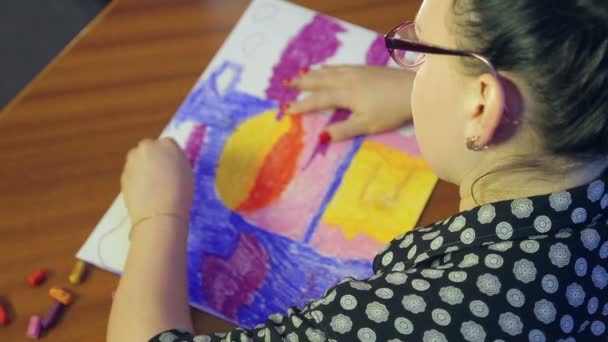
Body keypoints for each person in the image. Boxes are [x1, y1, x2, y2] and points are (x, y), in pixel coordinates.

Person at [108, 0, 608, 340]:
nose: (408, 62)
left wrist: (159, 217)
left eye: (421, 50)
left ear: (482, 106)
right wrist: (426, 101)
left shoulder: (447, 311)